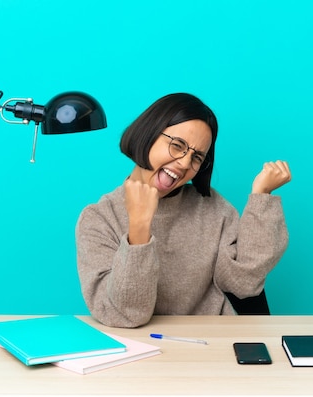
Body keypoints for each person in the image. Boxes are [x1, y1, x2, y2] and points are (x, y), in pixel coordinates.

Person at [76, 93, 292, 328]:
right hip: (138, 355)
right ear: (148, 135)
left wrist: (262, 197)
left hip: (212, 348)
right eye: (177, 146)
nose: (185, 164)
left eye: (197, 157)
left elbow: (243, 284)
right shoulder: (98, 219)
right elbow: (126, 315)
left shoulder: (214, 210)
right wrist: (139, 226)